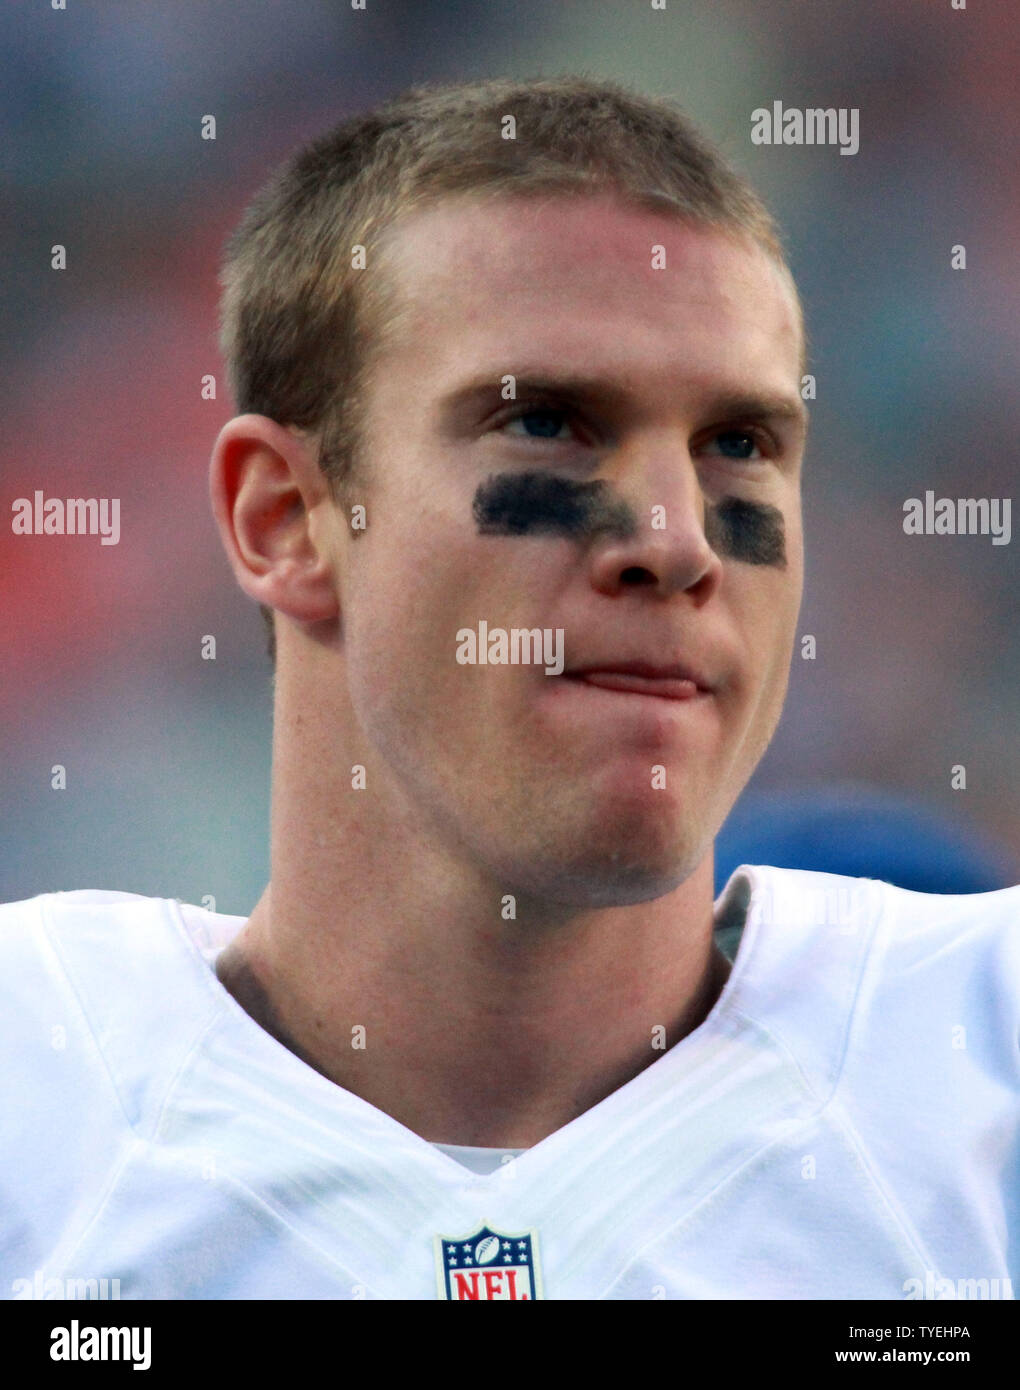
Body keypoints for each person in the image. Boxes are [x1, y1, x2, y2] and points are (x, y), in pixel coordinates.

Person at [2, 76, 1016, 1302]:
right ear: (283, 520)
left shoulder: (984, 1070)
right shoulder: (35, 1102)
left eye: (739, 445)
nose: (678, 540)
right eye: (548, 422)